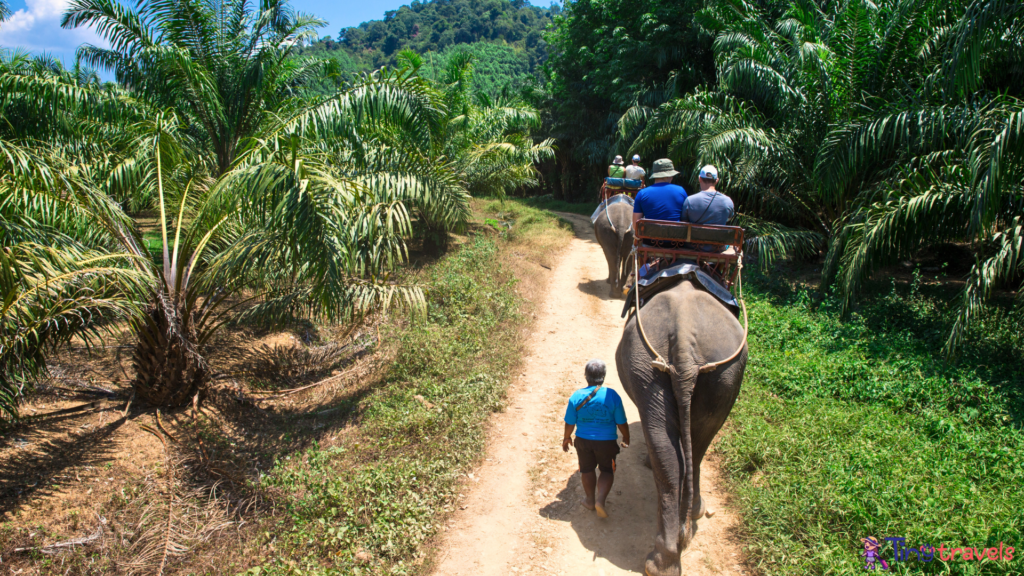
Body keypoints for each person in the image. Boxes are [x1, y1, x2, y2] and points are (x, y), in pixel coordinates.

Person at [562, 359, 629, 519]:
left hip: (583, 441)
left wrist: (566, 438)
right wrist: (626, 436)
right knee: (606, 470)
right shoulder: (612, 395)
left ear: (586, 376)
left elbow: (569, 422)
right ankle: (600, 500)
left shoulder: (576, 396)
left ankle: (590, 500)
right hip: (606, 442)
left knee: (587, 469)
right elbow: (621, 422)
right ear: (603, 376)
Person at [681, 164, 736, 252]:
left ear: (700, 179)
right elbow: (728, 219)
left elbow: (684, 223)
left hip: (693, 246)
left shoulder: (689, 200)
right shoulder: (727, 201)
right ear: (717, 180)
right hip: (717, 248)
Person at [632, 158, 687, 228]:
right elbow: (686, 220)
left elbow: (635, 225)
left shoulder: (642, 194)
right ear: (669, 175)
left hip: (650, 237)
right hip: (676, 237)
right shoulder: (681, 191)